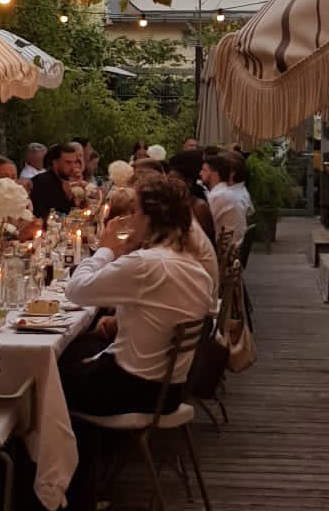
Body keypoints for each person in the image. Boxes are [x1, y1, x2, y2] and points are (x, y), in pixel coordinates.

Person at [61, 174, 215, 415]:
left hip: (133, 390)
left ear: (149, 218)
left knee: (51, 369)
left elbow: (75, 290)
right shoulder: (191, 265)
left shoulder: (147, 264)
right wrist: (120, 322)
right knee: (82, 346)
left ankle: (52, 450)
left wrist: (105, 249)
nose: (132, 220)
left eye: (135, 212)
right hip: (170, 390)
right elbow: (159, 311)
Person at [201, 150, 255, 246]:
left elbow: (206, 224)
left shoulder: (226, 195)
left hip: (226, 251)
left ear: (231, 173)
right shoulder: (236, 192)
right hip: (231, 247)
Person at [29, 141, 83, 222]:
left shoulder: (69, 182)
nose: (73, 167)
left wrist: (77, 192)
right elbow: (44, 216)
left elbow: (76, 212)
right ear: (55, 163)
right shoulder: (42, 182)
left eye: (74, 162)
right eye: (68, 162)